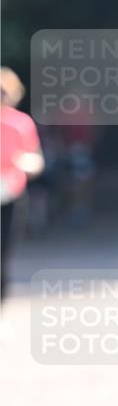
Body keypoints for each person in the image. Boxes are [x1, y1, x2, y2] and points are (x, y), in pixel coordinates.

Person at [1, 67, 44, 308]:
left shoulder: (21, 123)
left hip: (11, 193)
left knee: (3, 254)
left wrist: (24, 162)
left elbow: (36, 160)